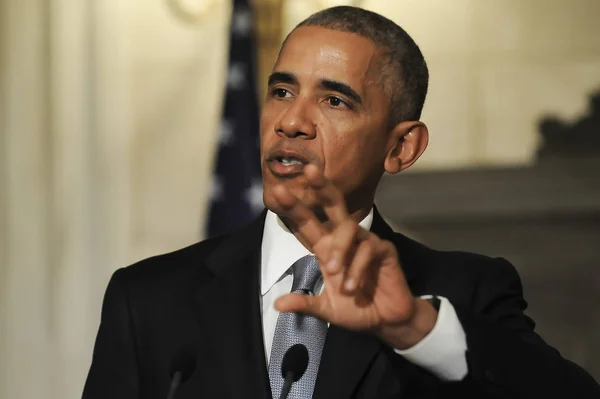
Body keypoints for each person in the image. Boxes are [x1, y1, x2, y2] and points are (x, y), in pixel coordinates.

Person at [83, 6, 600, 399]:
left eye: (334, 101)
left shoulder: (464, 292)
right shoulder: (147, 299)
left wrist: (416, 330)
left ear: (401, 147)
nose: (291, 122)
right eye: (282, 92)